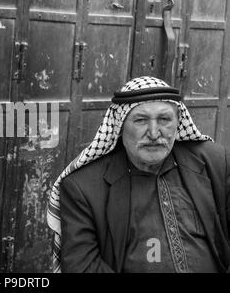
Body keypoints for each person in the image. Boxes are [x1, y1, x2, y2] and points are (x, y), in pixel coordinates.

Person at [47, 76, 230, 273]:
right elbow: (82, 267)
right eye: (141, 120)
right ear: (120, 125)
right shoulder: (84, 187)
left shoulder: (215, 162)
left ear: (178, 122)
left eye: (164, 119)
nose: (153, 133)